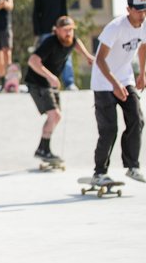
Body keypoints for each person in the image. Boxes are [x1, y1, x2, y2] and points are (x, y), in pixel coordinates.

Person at [89, 0, 146, 185]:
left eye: (145, 10)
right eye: (138, 10)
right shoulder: (115, 27)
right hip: (103, 81)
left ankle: (132, 166)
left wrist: (142, 73)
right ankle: (99, 172)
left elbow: (142, 46)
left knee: (136, 118)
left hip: (125, 78)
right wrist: (114, 84)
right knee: (109, 129)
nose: (142, 15)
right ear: (128, 9)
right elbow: (99, 59)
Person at [25, 16, 94, 162]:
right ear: (56, 31)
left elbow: (76, 43)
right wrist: (50, 77)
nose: (68, 34)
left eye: (70, 30)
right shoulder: (50, 42)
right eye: (64, 31)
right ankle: (43, 150)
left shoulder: (71, 39)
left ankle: (43, 149)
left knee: (56, 116)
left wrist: (87, 55)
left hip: (49, 84)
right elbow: (32, 61)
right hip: (37, 82)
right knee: (54, 114)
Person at [32, 0, 79, 90]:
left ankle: (69, 83)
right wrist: (37, 32)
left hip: (62, 29)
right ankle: (46, 82)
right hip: (46, 30)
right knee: (46, 57)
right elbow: (36, 13)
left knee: (66, 56)